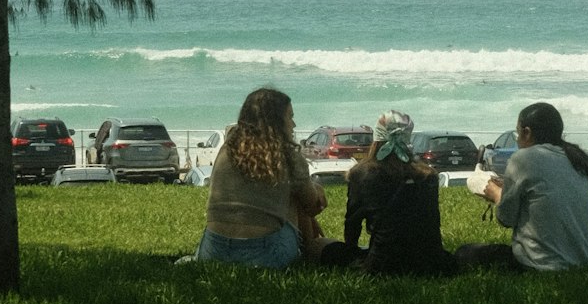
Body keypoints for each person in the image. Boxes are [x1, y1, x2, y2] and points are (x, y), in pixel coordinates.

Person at [456, 101, 588, 273]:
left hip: (542, 263)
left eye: (517, 132)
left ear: (526, 132)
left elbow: (505, 219)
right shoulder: (575, 159)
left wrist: (495, 193)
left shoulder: (523, 158)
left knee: (465, 252)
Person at [195, 88, 326, 267]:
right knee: (297, 197)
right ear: (277, 121)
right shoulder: (287, 155)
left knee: (293, 192)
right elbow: (312, 204)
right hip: (265, 256)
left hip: (212, 251)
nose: (293, 124)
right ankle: (309, 253)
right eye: (290, 117)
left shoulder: (227, 149)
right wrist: (318, 189)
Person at [343, 111, 458, 276]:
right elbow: (432, 224)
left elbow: (353, 223)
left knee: (328, 248)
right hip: (429, 262)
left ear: (377, 138)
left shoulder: (362, 174)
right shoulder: (428, 176)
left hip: (383, 264)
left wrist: (350, 255)